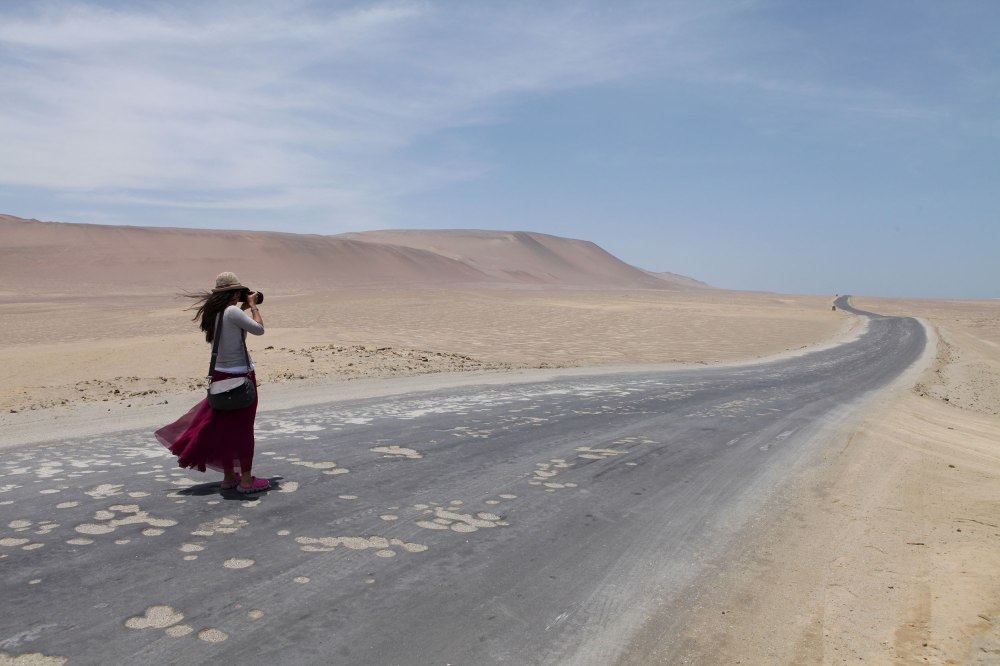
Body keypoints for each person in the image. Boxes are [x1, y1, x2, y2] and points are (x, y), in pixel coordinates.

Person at [155, 272, 269, 494]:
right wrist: (254, 306)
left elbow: (230, 323)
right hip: (240, 377)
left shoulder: (214, 313)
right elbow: (259, 330)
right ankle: (246, 480)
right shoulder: (233, 311)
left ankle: (229, 477)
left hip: (219, 376)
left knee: (226, 429)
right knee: (243, 429)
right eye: (239, 292)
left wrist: (242, 308)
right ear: (233, 293)